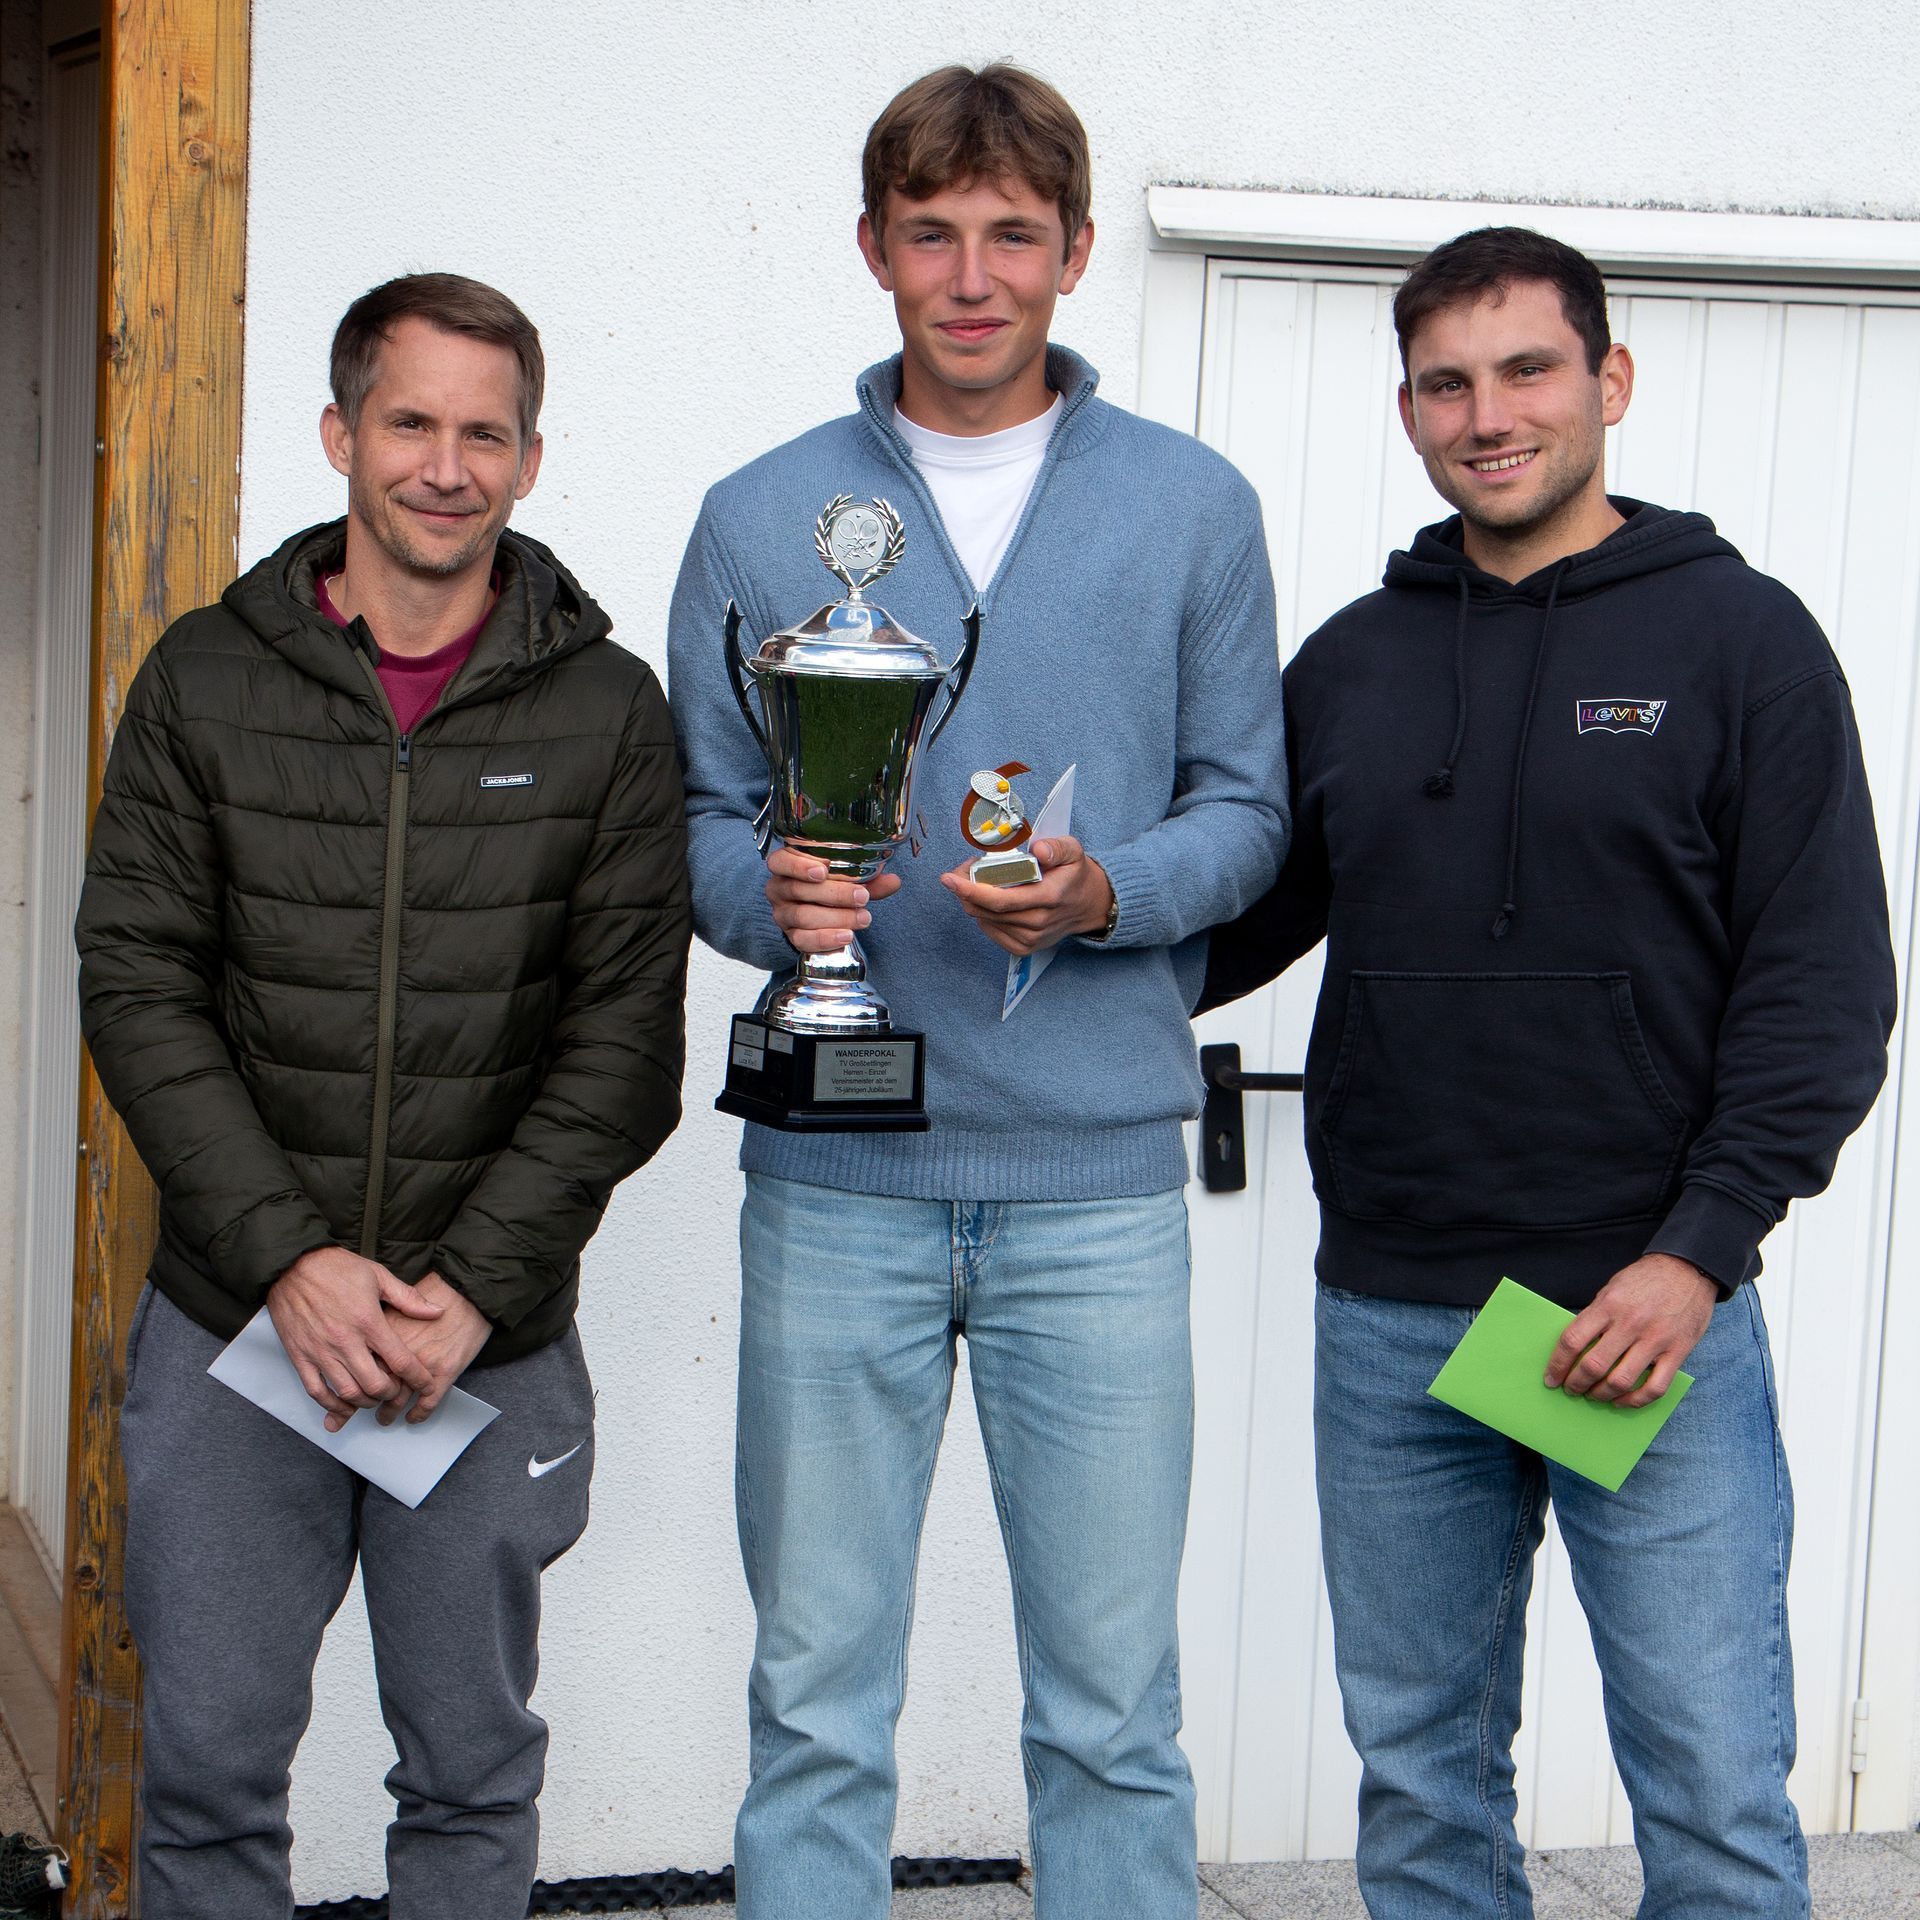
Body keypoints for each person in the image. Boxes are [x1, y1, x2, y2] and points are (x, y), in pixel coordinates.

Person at [1203, 226, 1897, 1920]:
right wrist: (1065, 907)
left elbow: (1824, 992)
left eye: (1526, 369)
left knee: (1715, 1799)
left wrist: (1696, 1251)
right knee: (1426, 1792)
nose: (1487, 413)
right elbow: (1237, 918)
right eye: (1447, 382)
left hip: (1635, 1318)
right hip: (1394, 1321)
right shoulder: (1356, 662)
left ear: (1609, 381)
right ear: (1409, 408)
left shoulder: (1743, 641)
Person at [668, 63, 1288, 1920]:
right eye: (930, 230)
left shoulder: (1192, 507)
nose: (970, 272)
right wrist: (769, 894)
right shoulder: (763, 510)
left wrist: (1115, 896)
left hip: (1097, 1190)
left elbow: (1252, 811)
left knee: (1111, 1715)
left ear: (1076, 252)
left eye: (1012, 231)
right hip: (836, 1189)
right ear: (873, 247)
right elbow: (697, 816)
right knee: (813, 1702)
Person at [75, 273, 691, 1920]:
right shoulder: (206, 680)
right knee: (204, 1772)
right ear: (340, 433)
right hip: (236, 1331)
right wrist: (289, 1258)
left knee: (471, 1775)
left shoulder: (609, 713)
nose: (444, 464)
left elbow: (626, 1046)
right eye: (410, 422)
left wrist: (470, 1289)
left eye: (484, 432)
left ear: (532, 460)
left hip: (479, 1346)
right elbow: (136, 984)